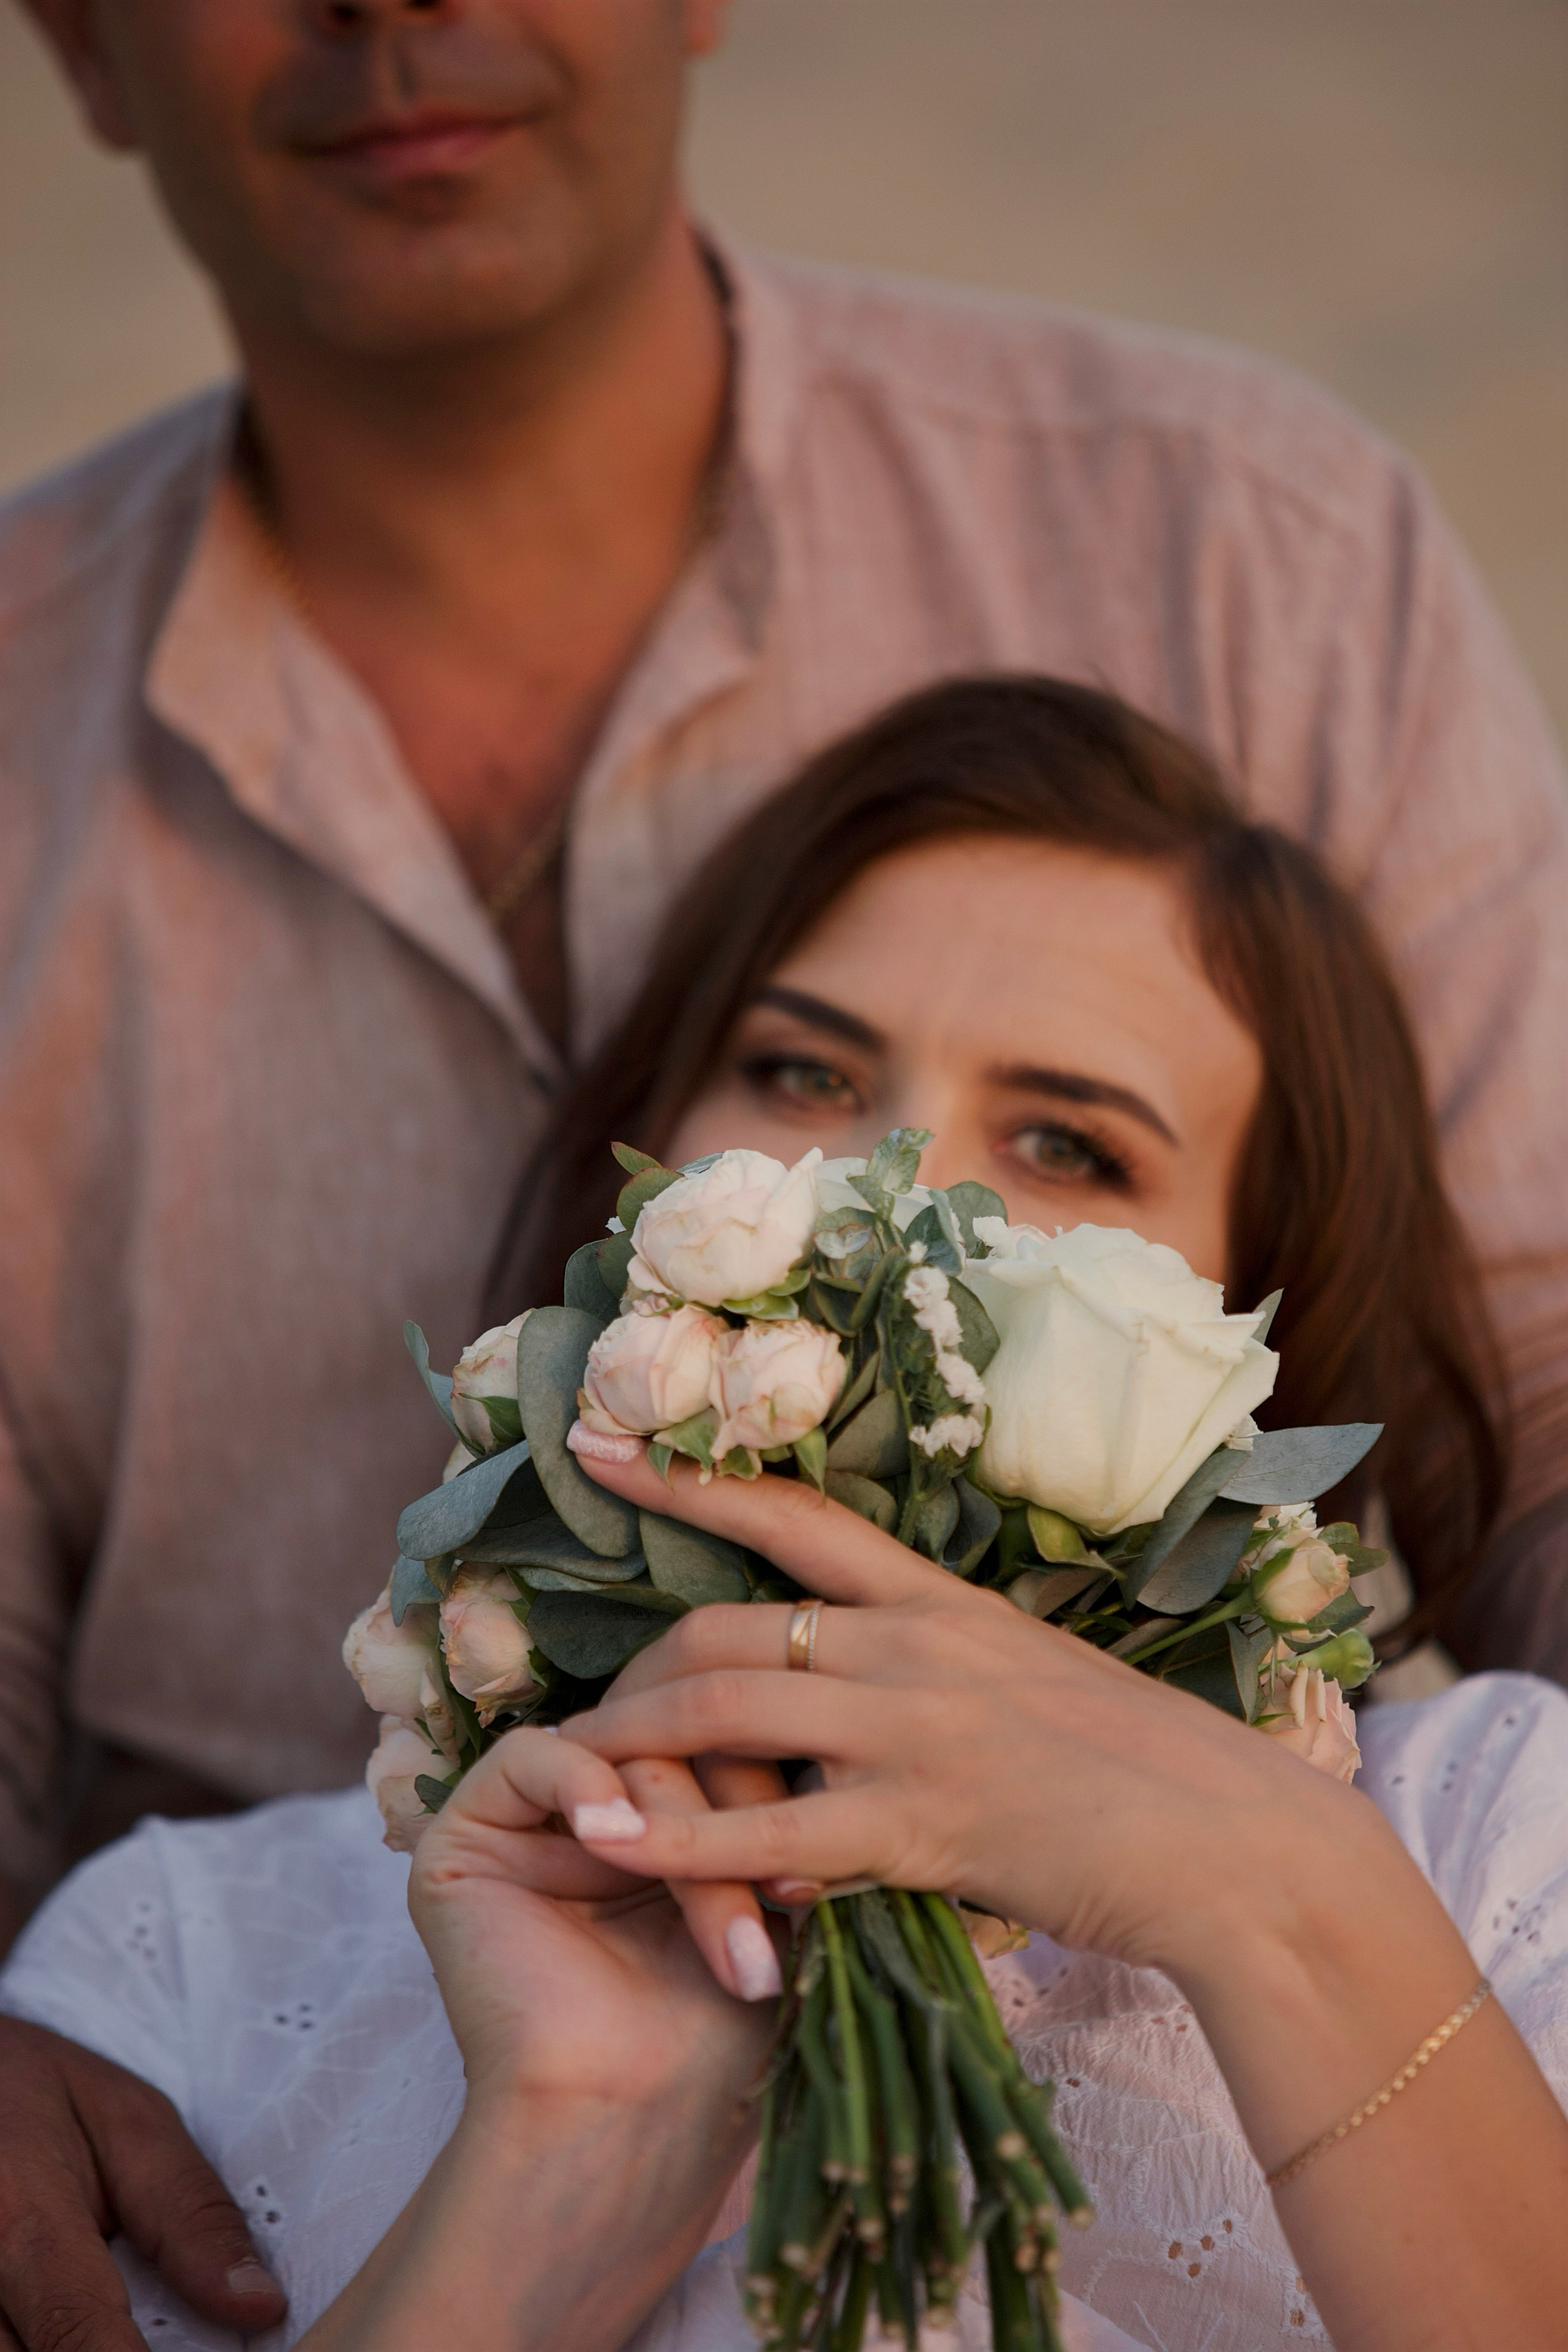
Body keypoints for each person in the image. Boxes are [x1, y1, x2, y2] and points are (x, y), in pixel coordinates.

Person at [2, 0, 1566, 2339]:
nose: (882, 1205)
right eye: (803, 1079)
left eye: (1068, 1139)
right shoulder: (198, 1965)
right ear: (79, 44)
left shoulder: (1255, 536)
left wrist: (1302, 1885)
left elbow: (1532, 1378)